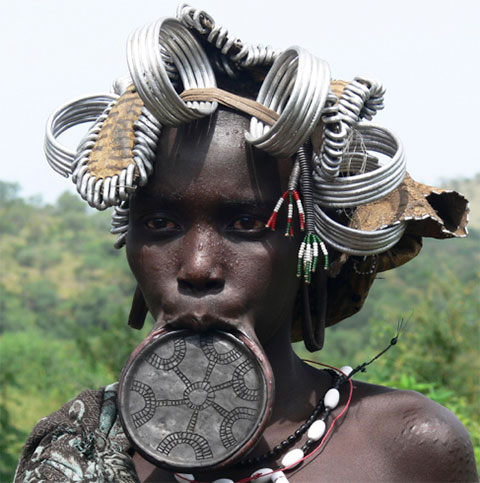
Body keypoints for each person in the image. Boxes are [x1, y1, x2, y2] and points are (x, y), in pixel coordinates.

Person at [15, 5, 477, 482]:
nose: (197, 267)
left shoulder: (406, 449)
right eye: (159, 223)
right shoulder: (75, 451)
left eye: (247, 224)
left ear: (309, 244)